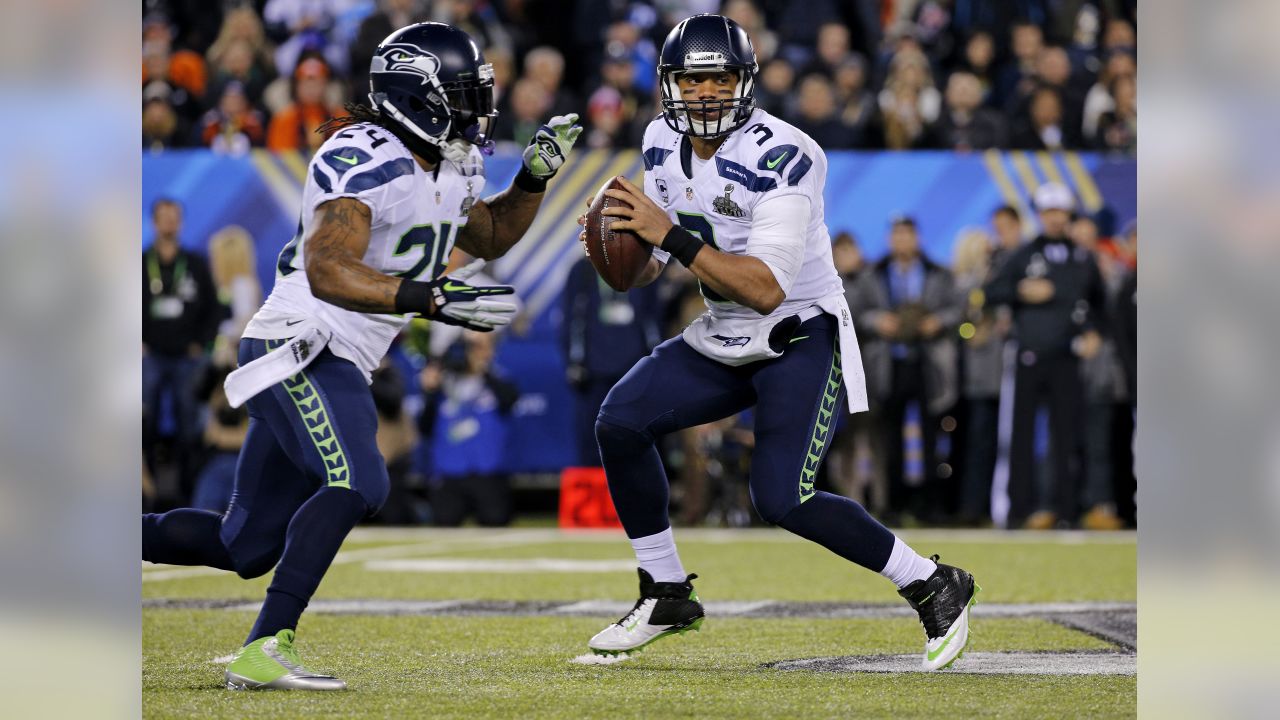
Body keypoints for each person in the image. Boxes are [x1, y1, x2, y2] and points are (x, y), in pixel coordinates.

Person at [142, 22, 582, 690]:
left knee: (245, 545)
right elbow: (326, 267)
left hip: (335, 354)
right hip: (300, 343)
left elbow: (488, 234)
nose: (474, 110)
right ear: (417, 95)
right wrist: (427, 298)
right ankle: (265, 648)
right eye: (461, 95)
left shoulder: (454, 162)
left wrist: (532, 178)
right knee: (359, 481)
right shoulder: (363, 155)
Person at [576, 14, 977, 671]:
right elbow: (652, 264)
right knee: (620, 422)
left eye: (720, 78)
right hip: (725, 328)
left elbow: (764, 286)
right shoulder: (657, 140)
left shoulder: (787, 154)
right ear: (669, 86)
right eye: (692, 80)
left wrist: (668, 236)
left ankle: (932, 582)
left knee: (781, 496)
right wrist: (618, 255)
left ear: (745, 82)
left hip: (799, 332)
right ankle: (666, 590)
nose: (705, 93)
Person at [985, 183, 1107, 529]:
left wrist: (1095, 332)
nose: (1054, 218)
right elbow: (991, 291)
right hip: (1028, 355)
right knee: (1019, 435)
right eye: (1048, 212)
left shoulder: (1083, 257)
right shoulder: (1023, 254)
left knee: (1068, 435)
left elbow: (1099, 304)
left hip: (1067, 358)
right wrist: (1020, 291)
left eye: (1060, 212)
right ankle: (1017, 511)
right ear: (1039, 215)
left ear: (1068, 215)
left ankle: (1066, 510)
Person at [848, 216, 961, 523]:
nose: (902, 241)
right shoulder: (873, 275)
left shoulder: (938, 273)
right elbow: (855, 312)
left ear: (917, 238)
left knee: (931, 434)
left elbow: (956, 309)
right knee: (889, 437)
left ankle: (928, 504)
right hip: (889, 362)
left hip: (928, 361)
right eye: (897, 235)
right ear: (890, 239)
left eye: (907, 235)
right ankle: (893, 504)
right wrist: (878, 321)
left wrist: (936, 322)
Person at [143, 198, 222, 498]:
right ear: (153, 222)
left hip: (186, 359)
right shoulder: (140, 263)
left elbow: (215, 308)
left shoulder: (195, 264)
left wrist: (201, 344)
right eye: (163, 217)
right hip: (151, 356)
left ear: (181, 222)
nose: (169, 222)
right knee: (143, 424)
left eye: (174, 217)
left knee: (190, 428)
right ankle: (146, 496)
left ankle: (189, 497)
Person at [560, 256, 662, 467]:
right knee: (593, 442)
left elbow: (654, 317)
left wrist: (656, 362)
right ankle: (595, 498)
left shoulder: (643, 266)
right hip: (594, 373)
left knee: (639, 440)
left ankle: (636, 498)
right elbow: (570, 318)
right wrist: (574, 362)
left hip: (635, 370)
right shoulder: (583, 269)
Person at [418, 332, 520, 526]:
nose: (470, 352)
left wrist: (483, 369)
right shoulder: (443, 384)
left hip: (488, 471)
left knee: (495, 522)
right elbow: (425, 427)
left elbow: (510, 400)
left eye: (477, 346)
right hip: (449, 472)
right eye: (468, 346)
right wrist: (430, 392)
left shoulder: (498, 378)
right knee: (444, 524)